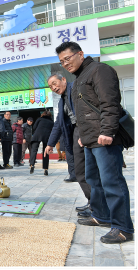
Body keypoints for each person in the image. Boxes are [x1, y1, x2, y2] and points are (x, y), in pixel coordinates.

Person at [56, 41, 133, 243]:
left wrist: (108, 131)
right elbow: (84, 113)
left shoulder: (99, 70)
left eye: (68, 58)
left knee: (112, 182)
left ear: (80, 54)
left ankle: (123, 227)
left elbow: (110, 103)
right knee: (94, 180)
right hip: (90, 140)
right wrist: (82, 136)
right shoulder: (80, 78)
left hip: (105, 139)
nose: (65, 63)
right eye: (61, 61)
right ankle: (102, 216)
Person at [44, 72, 91, 215]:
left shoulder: (75, 89)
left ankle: (97, 206)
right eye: (50, 86)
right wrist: (50, 144)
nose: (53, 87)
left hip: (85, 130)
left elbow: (85, 112)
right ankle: (93, 202)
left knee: (88, 172)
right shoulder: (62, 100)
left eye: (54, 83)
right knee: (80, 171)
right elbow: (58, 123)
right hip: (76, 133)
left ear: (63, 80)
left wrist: (84, 133)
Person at [29, 111, 54, 176]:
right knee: (45, 152)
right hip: (47, 136)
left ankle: (32, 165)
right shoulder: (51, 122)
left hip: (37, 134)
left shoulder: (40, 119)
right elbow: (53, 131)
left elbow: (34, 127)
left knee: (34, 150)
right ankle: (46, 169)